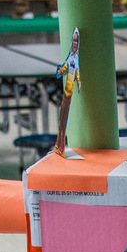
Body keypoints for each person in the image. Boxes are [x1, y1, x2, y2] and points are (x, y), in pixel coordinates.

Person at [54, 27, 81, 156]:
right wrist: (59, 71)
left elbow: (78, 74)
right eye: (74, 41)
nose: (75, 44)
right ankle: (59, 144)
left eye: (77, 42)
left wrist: (79, 85)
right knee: (62, 119)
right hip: (66, 94)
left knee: (64, 119)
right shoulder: (70, 58)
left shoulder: (76, 60)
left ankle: (61, 143)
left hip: (70, 94)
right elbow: (64, 68)